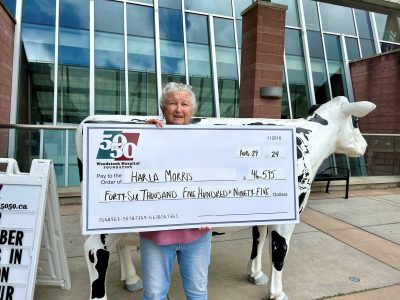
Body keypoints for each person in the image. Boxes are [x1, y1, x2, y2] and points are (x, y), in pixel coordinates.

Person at [140, 82, 212, 300]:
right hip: (157, 234)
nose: (179, 109)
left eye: (184, 104)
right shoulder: (147, 137)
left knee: (198, 293)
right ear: (163, 109)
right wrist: (141, 132)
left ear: (192, 110)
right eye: (172, 103)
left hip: (197, 233)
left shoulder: (208, 141)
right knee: (153, 294)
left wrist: (215, 210)